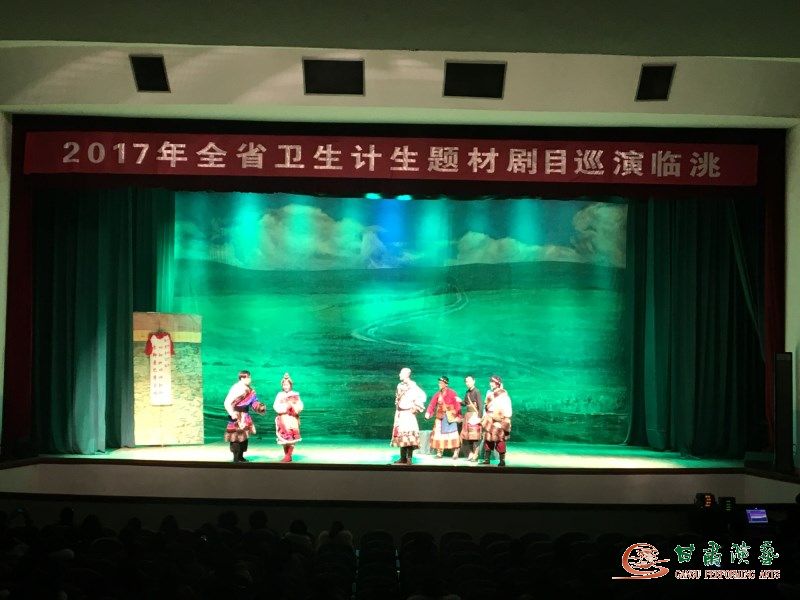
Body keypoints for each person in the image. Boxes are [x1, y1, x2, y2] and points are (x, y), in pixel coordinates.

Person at [224, 370, 266, 462]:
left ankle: (241, 456)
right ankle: (236, 457)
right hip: (236, 415)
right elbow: (227, 402)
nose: (250, 379)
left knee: (244, 437)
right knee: (235, 437)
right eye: (248, 377)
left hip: (245, 416)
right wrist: (232, 413)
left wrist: (260, 407)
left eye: (250, 377)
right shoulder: (236, 388)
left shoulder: (250, 390)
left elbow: (254, 402)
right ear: (242, 378)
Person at [390, 367, 427, 465]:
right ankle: (402, 458)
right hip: (401, 413)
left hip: (408, 414)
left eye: (401, 373)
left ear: (407, 374)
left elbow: (422, 395)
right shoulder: (399, 385)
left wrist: (416, 407)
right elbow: (398, 398)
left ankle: (409, 458)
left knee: (409, 436)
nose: (399, 375)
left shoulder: (412, 385)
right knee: (402, 435)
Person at [425, 376, 462, 460]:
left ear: (446, 384)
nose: (439, 384)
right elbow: (432, 404)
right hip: (440, 417)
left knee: (452, 434)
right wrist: (428, 412)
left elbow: (457, 405)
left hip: (450, 417)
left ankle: (455, 452)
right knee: (439, 435)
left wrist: (459, 416)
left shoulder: (452, 393)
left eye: (441, 383)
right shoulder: (437, 394)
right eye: (439, 383)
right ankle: (439, 452)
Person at [481, 375, 512, 467]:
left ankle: (502, 460)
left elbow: (507, 407)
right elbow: (485, 406)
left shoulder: (503, 394)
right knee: (488, 439)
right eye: (490, 382)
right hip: (489, 419)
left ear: (497, 383)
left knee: (500, 439)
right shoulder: (489, 393)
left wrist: (504, 419)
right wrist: (484, 417)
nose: (490, 384)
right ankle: (487, 459)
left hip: (498, 419)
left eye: (492, 382)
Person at [274, 372, 303, 462]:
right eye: (284, 385)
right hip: (283, 418)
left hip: (292, 418)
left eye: (287, 385)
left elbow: (300, 405)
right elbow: (275, 406)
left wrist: (293, 408)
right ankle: (287, 455)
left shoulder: (295, 394)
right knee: (284, 437)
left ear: (291, 385)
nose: (285, 386)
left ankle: (288, 455)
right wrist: (285, 407)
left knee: (291, 437)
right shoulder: (279, 394)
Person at [460, 375, 483, 461]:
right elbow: (465, 403)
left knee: (474, 436)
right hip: (468, 415)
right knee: (468, 436)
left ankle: (475, 455)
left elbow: (480, 405)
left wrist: (479, 417)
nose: (468, 383)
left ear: (474, 381)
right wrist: (459, 401)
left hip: (474, 416)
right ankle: (471, 453)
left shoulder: (477, 391)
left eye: (469, 381)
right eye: (466, 381)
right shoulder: (467, 392)